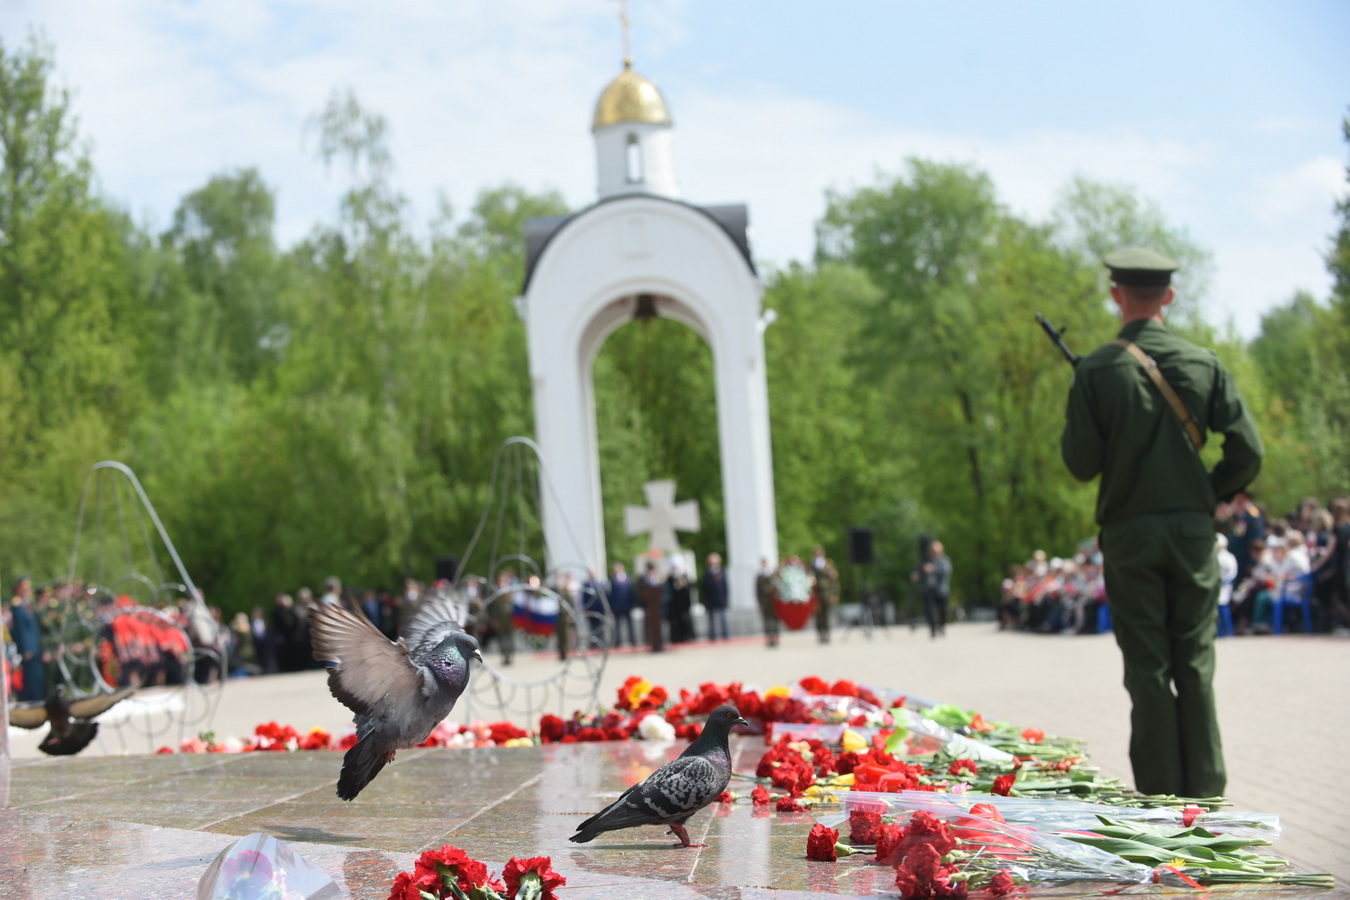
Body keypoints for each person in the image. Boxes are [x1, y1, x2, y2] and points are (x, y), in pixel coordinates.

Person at [1061, 247, 1263, 799]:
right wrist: (1208, 493)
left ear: (1116, 294)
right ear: (1168, 295)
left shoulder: (1098, 369)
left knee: (1148, 669)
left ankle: (1160, 800)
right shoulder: (1203, 362)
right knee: (1194, 664)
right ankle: (1206, 797)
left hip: (1130, 534)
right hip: (1192, 533)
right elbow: (1248, 450)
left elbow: (1080, 463)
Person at [10, 576, 46, 701]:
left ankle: (36, 698)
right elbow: (21, 629)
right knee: (31, 677)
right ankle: (31, 700)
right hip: (29, 649)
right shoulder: (17, 605)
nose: (29, 592)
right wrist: (27, 649)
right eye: (25, 590)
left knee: (37, 677)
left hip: (35, 648)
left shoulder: (27, 605)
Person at [811, 546, 839, 644]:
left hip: (827, 594)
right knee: (818, 616)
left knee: (826, 615)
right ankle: (820, 634)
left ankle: (826, 634)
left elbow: (834, 582)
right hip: (816, 595)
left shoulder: (828, 565)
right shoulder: (811, 566)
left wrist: (834, 594)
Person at [700, 552, 730, 640]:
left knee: (723, 617)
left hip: (720, 597)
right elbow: (704, 587)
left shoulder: (722, 570)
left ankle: (725, 634)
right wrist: (705, 599)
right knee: (711, 618)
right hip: (710, 598)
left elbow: (725, 585)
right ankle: (712, 636)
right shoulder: (707, 572)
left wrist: (726, 597)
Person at [638, 560, 666, 652]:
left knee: (658, 625)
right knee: (649, 625)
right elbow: (641, 591)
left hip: (657, 606)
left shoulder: (658, 577)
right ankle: (651, 643)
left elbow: (662, 589)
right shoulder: (643, 577)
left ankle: (659, 644)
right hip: (648, 606)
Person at [607, 562, 636, 646]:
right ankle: (617, 642)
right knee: (617, 625)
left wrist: (633, 603)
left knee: (630, 624)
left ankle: (633, 640)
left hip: (627, 605)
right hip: (617, 606)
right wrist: (611, 606)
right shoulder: (612, 580)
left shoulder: (628, 578)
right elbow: (611, 594)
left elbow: (632, 592)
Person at [666, 557, 694, 643]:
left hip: (684, 603)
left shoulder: (685, 576)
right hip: (674, 604)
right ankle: (676, 637)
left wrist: (684, 585)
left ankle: (688, 636)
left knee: (686, 619)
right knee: (675, 621)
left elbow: (691, 587)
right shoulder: (670, 578)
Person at [756, 557, 780, 647]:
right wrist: (760, 603)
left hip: (773, 602)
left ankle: (776, 638)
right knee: (766, 621)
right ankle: (769, 639)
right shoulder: (759, 576)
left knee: (775, 621)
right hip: (765, 602)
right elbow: (757, 591)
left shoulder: (773, 575)